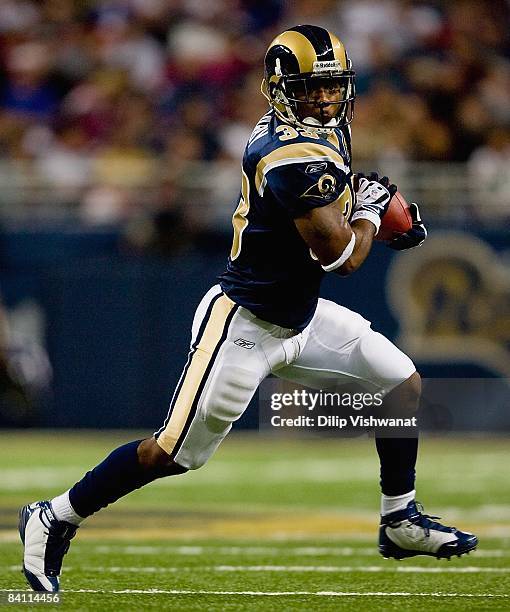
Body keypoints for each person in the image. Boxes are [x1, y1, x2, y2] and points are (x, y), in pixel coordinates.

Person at [19, 25, 477, 593]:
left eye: (332, 87)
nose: (325, 99)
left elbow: (337, 193)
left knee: (399, 381)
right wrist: (371, 212)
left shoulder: (316, 135)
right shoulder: (286, 154)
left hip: (300, 316)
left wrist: (368, 205)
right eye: (311, 89)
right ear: (280, 89)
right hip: (245, 323)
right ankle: (55, 515)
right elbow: (341, 258)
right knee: (171, 453)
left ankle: (399, 518)